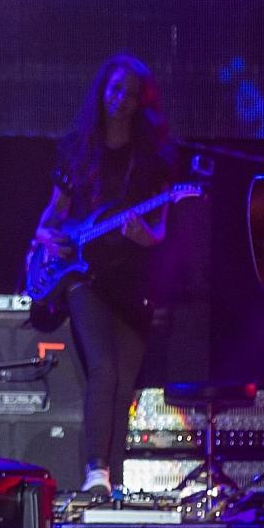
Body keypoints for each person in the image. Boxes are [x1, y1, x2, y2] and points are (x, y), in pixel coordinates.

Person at [32, 54, 175, 495]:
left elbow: (161, 231)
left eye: (131, 94)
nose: (122, 100)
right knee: (105, 368)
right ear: (102, 91)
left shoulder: (154, 158)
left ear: (141, 101)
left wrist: (143, 237)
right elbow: (51, 217)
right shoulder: (78, 148)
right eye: (115, 90)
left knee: (125, 383)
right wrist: (44, 237)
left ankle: (111, 480)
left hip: (131, 280)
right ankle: (95, 470)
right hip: (83, 277)